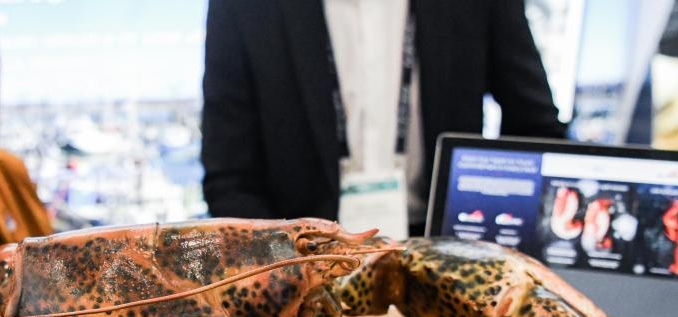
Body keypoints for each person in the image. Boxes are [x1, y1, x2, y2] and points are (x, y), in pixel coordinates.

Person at [201, 0, 567, 237]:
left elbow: (536, 130)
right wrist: (282, 270)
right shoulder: (243, 7)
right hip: (302, 258)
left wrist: (487, 243)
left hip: (439, 252)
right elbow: (229, 175)